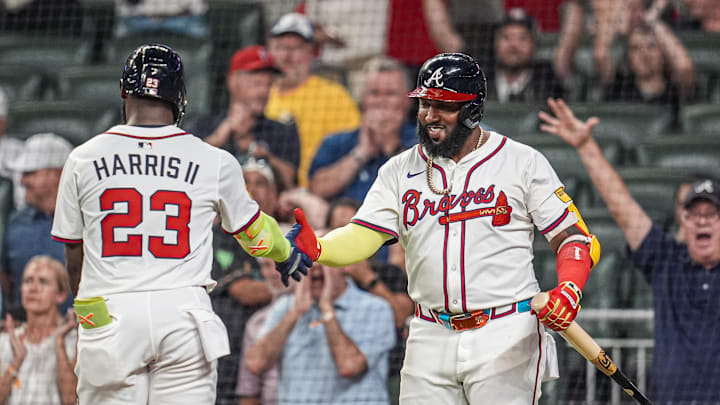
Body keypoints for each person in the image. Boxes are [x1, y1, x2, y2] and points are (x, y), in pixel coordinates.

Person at [282, 53, 602, 404]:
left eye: (444, 106)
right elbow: (363, 234)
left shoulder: (521, 162)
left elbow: (572, 237)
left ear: (473, 110)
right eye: (424, 104)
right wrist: (322, 248)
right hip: (429, 333)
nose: (430, 116)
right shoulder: (398, 170)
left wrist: (570, 289)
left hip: (505, 331)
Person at [49, 44, 311, 405]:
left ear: (124, 91)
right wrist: (286, 248)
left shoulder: (82, 158)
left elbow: (73, 250)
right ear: (180, 97)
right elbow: (253, 235)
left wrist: (88, 315)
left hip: (111, 314)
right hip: (185, 317)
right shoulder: (214, 160)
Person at [539, 97, 720, 403]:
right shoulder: (667, 261)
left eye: (711, 214)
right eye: (694, 214)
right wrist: (586, 147)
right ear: (683, 221)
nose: (702, 221)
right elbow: (624, 209)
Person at [245, 258, 396, 405]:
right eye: (307, 259)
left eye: (324, 259)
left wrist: (327, 308)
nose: (315, 267)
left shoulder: (375, 308)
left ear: (345, 266)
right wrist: (296, 312)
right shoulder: (285, 307)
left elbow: (349, 366)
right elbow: (256, 363)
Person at [264, 12, 361, 187]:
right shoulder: (260, 95)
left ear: (311, 52)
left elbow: (352, 149)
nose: (288, 56)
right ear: (270, 51)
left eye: (296, 48)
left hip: (319, 191)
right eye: (280, 47)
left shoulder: (335, 96)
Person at [189, 45, 300, 191]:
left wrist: (254, 148)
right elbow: (185, 171)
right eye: (257, 83)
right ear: (233, 82)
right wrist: (218, 138)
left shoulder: (283, 132)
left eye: (268, 85)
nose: (264, 92)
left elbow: (291, 184)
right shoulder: (203, 126)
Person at [309, 56, 416, 202]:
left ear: (407, 101)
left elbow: (426, 187)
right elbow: (316, 189)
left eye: (390, 94)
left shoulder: (424, 142)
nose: (381, 101)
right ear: (363, 98)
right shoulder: (336, 141)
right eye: (374, 93)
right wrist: (361, 153)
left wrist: (389, 143)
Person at [1, 133, 73, 318]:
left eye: (30, 173)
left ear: (58, 174)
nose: (23, 182)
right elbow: (5, 280)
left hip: (80, 330)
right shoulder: (16, 224)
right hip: (25, 331)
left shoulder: (90, 223)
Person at [0, 255, 77, 405]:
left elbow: (71, 400)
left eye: (43, 281)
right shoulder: (6, 341)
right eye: (28, 281)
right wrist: (16, 363)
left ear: (60, 295)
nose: (33, 289)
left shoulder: (73, 341)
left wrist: (59, 343)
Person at [235, 257, 292, 405]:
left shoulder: (328, 311)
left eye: (281, 262)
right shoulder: (257, 323)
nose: (274, 272)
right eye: (267, 265)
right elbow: (249, 393)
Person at [486, 8, 564, 103]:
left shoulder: (548, 79)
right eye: (506, 37)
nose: (514, 45)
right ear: (495, 43)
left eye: (522, 38)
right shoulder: (481, 80)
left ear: (534, 45)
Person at [113, 0, 209, 38]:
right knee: (123, 28)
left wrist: (165, 16)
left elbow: (199, 9)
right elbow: (122, 10)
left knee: (198, 29)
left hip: (180, 21)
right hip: (140, 22)